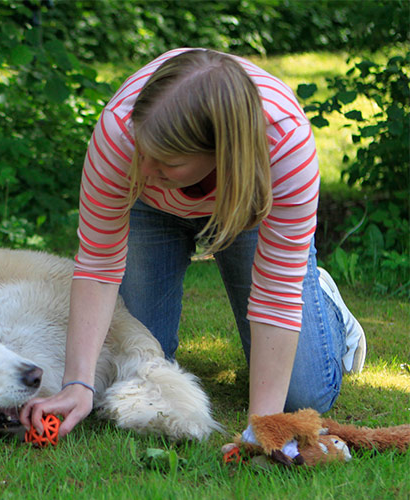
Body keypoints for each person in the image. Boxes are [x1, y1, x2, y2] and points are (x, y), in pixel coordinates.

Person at [19, 48, 367, 445]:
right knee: (137, 367)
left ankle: (325, 306)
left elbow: (275, 294)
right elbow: (99, 264)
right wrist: (78, 383)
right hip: (150, 210)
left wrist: (264, 425)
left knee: (303, 394)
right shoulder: (119, 134)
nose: (144, 170)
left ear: (220, 152)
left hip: (246, 203)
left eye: (165, 162)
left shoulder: (285, 146)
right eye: (143, 151)